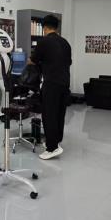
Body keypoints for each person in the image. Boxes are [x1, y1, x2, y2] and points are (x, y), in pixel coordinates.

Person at [30, 15, 72, 160]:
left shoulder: (44, 42)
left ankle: (52, 147)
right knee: (60, 113)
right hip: (65, 83)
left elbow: (33, 60)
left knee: (49, 115)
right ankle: (56, 141)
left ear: (44, 27)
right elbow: (68, 62)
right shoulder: (65, 43)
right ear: (57, 27)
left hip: (51, 83)